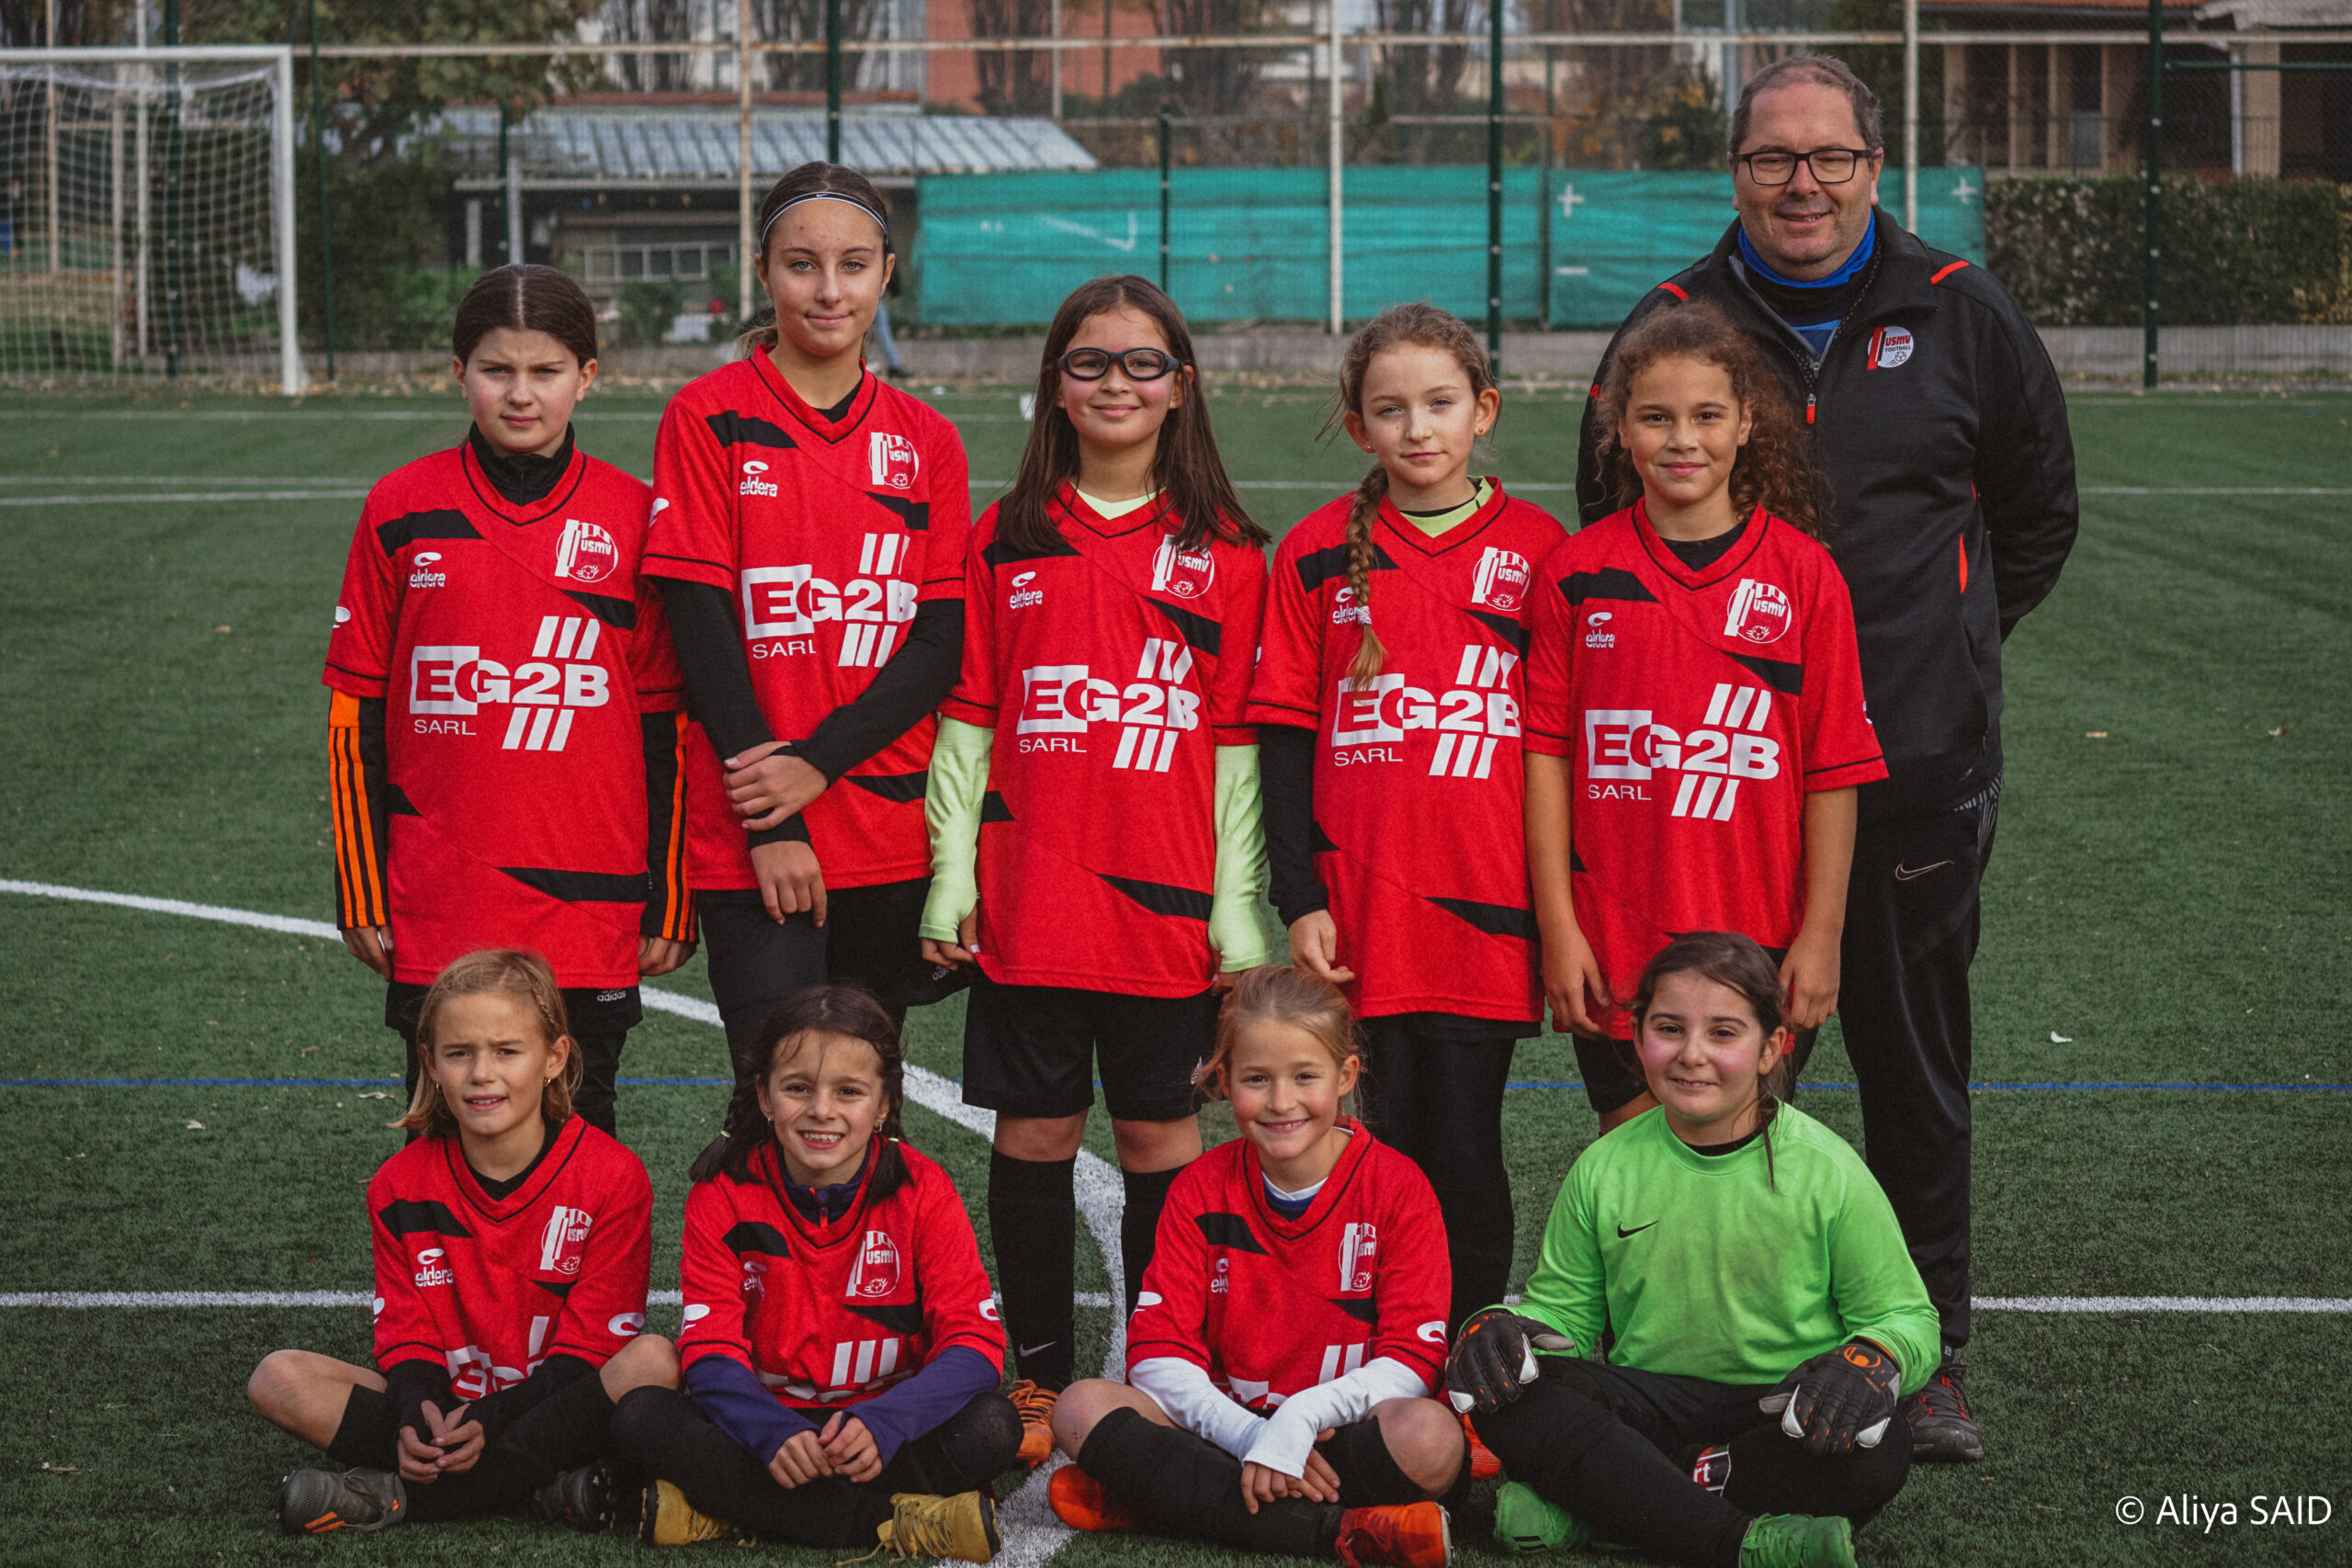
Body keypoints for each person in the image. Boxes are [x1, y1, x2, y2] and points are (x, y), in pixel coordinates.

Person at [1574, 53, 2080, 1461]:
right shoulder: (1673, 323)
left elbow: (2039, 511)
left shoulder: (1961, 306)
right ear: (1732, 171)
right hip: (1710, 798)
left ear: (1875, 166)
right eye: (1771, 159)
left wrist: (1951, 647)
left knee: (1914, 1072)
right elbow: (1603, 535)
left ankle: (1923, 1359)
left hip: (1910, 776)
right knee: (1708, 1077)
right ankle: (1681, 1363)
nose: (1803, 184)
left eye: (1830, 158)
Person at [920, 275, 1272, 1452]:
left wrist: (1235, 914)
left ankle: (1162, 1370)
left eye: (1141, 363)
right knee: (1033, 1141)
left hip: (1163, 911)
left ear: (1182, 387)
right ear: (1053, 388)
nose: (1115, 383)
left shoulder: (1225, 552)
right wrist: (952, 881)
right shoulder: (1007, 539)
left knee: (1162, 1145)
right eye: (1089, 363)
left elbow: (1234, 750)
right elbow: (969, 722)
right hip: (1032, 901)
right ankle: (1034, 1378)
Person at [1249, 301, 1564, 1336]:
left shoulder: (1539, 553)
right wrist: (1297, 896)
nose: (1416, 430)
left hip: (1484, 915)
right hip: (1358, 914)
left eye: (1439, 404)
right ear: (1357, 426)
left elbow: (1556, 746)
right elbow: (1285, 740)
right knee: (1369, 1153)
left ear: (1485, 411)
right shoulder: (1310, 557)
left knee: (1465, 1144)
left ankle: (1468, 1356)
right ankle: (1372, 1349)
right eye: (1390, 410)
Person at [322, 265, 694, 1134]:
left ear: (589, 376)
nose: (520, 394)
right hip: (440, 894)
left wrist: (670, 895)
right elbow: (354, 718)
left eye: (546, 371)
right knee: (452, 1139)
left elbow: (670, 726)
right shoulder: (400, 509)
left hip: (589, 902)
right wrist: (361, 887)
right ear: (458, 371)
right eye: (497, 370)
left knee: (582, 1142)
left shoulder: (637, 518)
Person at [1448, 932, 1938, 1568]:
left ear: (1772, 1048)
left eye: (1724, 1033)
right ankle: (1740, 1543)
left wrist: (1874, 1356)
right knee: (1510, 1393)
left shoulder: (1828, 1171)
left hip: (1779, 1414)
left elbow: (1910, 1318)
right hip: (1645, 1404)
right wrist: (1497, 1329)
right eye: (1670, 1027)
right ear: (1637, 1033)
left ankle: (1611, 1509)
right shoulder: (1604, 1166)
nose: (1691, 1054)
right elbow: (1563, 1319)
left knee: (1882, 1447)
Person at [1527, 300, 1883, 1138]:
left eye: (1707, 416)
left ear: (1748, 423)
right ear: (1619, 428)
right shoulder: (1575, 574)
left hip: (1761, 938)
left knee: (1737, 1170)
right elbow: (1545, 759)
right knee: (1636, 1168)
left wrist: (1822, 932)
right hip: (1614, 939)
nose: (1683, 439)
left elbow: (1833, 768)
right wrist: (1558, 929)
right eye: (1656, 417)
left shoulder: (1806, 576)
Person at [645, 162, 972, 1061]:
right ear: (762, 273)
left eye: (853, 265)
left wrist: (818, 765)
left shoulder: (927, 440)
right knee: (774, 1093)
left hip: (888, 831)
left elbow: (938, 643)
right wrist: (778, 816)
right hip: (755, 834)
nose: (829, 290)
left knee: (868, 1101)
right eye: (801, 265)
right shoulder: (707, 419)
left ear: (887, 273)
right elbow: (702, 631)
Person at [247, 950, 676, 1536]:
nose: (481, 1073)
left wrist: (494, 1418)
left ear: (554, 1057)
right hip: (451, 1408)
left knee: (654, 1360)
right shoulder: (399, 1186)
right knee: (278, 1378)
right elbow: (408, 1332)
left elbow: (593, 1349)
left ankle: (397, 1498)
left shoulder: (612, 1176)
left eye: (506, 1051)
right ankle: (540, 1488)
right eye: (459, 1053)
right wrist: (414, 1415)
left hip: (552, 1407)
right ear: (430, 1061)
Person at [1046, 965, 1462, 1568]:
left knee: (1432, 1439)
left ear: (1345, 1076)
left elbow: (1414, 1362)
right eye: (1257, 1078)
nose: (1281, 1101)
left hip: (1335, 1435)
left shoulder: (1398, 1187)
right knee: (1080, 1409)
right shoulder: (1198, 1187)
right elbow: (1157, 1355)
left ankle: (1166, 1500)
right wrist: (1253, 1437)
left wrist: (1301, 1416)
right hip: (1220, 1434)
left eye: (1305, 1076)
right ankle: (1338, 1531)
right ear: (1224, 1080)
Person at [608, 983, 1017, 1557]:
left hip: (879, 1431)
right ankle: (896, 1522)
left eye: (848, 1091)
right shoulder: (722, 1193)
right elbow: (709, 1354)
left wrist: (885, 1422)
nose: (821, 1110)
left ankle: (733, 1514)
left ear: (882, 1106)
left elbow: (976, 1347)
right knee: (639, 1415)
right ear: (765, 1096)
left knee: (993, 1426)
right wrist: (772, 1432)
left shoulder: (923, 1190)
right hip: (763, 1433)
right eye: (798, 1088)